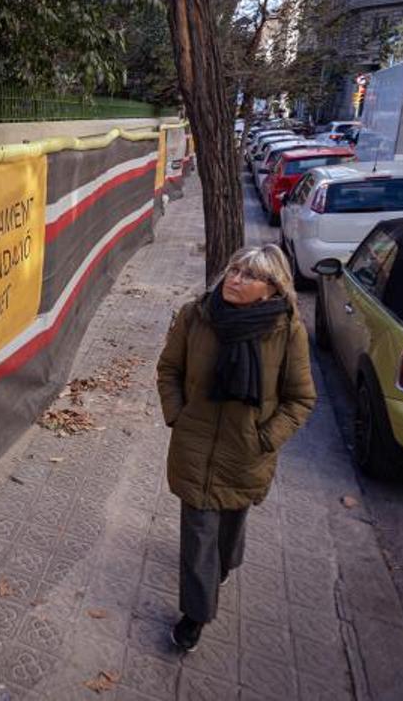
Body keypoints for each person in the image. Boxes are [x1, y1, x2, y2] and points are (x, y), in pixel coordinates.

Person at [156, 245, 316, 651]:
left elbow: (300, 399)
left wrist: (265, 439)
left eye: (248, 275)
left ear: (271, 288)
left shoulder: (286, 330)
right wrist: (178, 414)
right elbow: (169, 369)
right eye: (233, 269)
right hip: (194, 446)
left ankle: (226, 564)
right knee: (199, 534)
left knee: (229, 525)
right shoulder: (197, 315)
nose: (234, 279)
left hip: (246, 453)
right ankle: (196, 614)